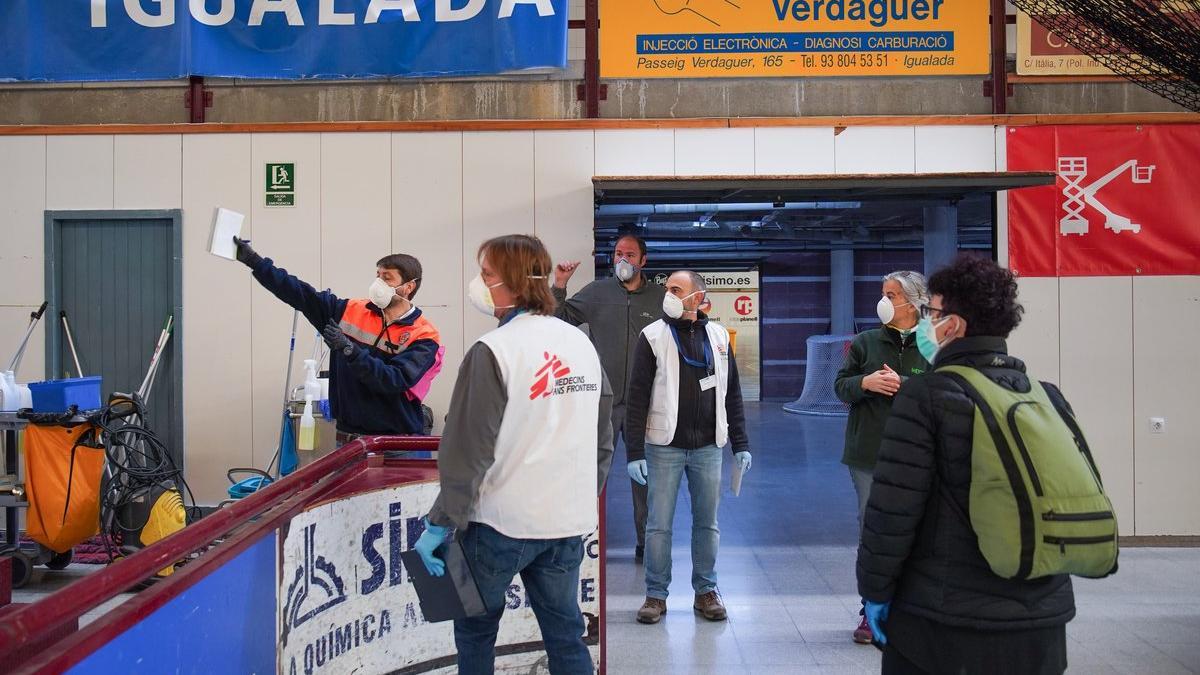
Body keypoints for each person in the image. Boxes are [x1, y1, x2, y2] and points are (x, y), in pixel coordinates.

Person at [856, 256, 1077, 674]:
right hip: (1042, 619)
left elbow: (892, 513)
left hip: (943, 621)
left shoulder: (925, 398)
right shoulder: (1047, 397)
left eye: (932, 313)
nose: (926, 323)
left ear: (952, 326)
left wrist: (876, 592)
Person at [413, 234, 614, 675]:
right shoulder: (581, 344)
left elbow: (468, 450)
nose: (479, 284)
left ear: (516, 283)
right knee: (566, 636)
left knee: (475, 631)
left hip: (498, 525)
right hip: (565, 524)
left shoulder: (494, 352)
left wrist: (440, 522)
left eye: (487, 275)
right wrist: (582, 494)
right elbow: (604, 436)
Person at [624, 270, 751, 624]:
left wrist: (740, 442)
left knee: (707, 523)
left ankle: (706, 591)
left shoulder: (719, 337)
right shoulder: (652, 336)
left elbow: (732, 393)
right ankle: (655, 595)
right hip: (664, 446)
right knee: (658, 525)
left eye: (677, 289)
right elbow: (636, 399)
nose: (669, 294)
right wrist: (634, 451)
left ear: (698, 297)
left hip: (709, 447)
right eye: (667, 289)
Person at [233, 237, 443, 441]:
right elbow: (300, 293)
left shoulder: (424, 335)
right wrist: (255, 262)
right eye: (377, 276)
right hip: (347, 438)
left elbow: (394, 380)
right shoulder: (348, 311)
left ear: (409, 287)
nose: (379, 283)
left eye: (387, 278)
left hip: (393, 444)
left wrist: (350, 350)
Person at [552, 234, 666, 562]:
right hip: (602, 404)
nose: (623, 260)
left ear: (644, 261)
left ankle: (647, 544)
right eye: (618, 254)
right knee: (590, 473)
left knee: (646, 480)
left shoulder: (660, 298)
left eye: (630, 254)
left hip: (646, 407)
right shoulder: (597, 293)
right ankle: (581, 539)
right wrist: (559, 285)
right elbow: (559, 322)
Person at [834, 270, 931, 644]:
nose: (884, 301)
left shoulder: (934, 343)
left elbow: (947, 389)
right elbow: (841, 386)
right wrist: (865, 383)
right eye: (884, 293)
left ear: (914, 300)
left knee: (919, 532)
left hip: (918, 455)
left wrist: (906, 385)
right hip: (868, 455)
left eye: (892, 294)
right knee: (873, 533)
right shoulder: (865, 342)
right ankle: (870, 609)